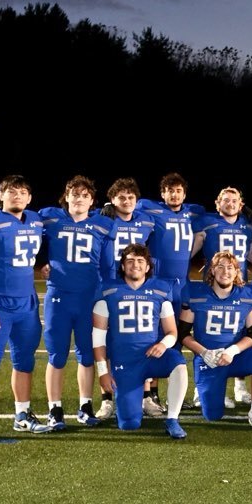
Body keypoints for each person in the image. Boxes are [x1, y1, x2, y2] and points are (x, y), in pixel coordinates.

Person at [0, 175, 51, 442]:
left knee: (25, 362)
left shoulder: (36, 220)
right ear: (1, 196)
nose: (17, 195)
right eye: (11, 191)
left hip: (26, 303)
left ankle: (22, 415)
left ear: (29, 198)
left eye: (23, 191)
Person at [38, 175, 114, 430]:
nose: (79, 198)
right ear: (66, 197)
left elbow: (107, 265)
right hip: (58, 296)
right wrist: (41, 263)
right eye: (74, 194)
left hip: (88, 297)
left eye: (84, 195)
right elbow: (32, 240)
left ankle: (85, 406)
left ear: (92, 200)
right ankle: (55, 409)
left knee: (86, 355)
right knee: (57, 355)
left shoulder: (103, 226)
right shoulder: (50, 219)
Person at [92, 244, 188, 438]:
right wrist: (103, 373)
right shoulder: (108, 291)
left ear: (147, 267)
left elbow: (172, 332)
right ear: (122, 266)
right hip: (125, 363)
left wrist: (163, 344)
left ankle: (172, 419)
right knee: (129, 424)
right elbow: (98, 338)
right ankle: (131, 402)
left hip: (151, 356)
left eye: (140, 261)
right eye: (130, 261)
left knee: (178, 364)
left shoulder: (160, 291)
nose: (135, 265)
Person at [179, 251, 252, 430]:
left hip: (235, 356)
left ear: (237, 272)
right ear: (212, 271)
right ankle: (216, 390)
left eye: (230, 268)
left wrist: (233, 350)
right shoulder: (195, 293)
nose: (225, 271)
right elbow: (183, 333)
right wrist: (204, 352)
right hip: (208, 358)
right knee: (212, 416)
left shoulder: (247, 295)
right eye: (220, 267)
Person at [137, 173, 204, 410]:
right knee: (152, 336)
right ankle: (148, 393)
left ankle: (171, 393)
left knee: (176, 338)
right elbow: (126, 208)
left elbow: (215, 220)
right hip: (157, 283)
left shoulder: (194, 212)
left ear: (184, 194)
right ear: (162, 193)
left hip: (182, 284)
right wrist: (105, 208)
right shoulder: (149, 208)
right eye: (169, 190)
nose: (174, 195)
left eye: (178, 190)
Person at [192, 185, 252, 406]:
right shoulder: (207, 222)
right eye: (226, 200)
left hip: (238, 287)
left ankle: (239, 387)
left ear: (241, 205)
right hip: (211, 288)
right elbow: (190, 251)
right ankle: (199, 387)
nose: (230, 204)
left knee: (238, 334)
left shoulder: (246, 227)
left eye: (234, 200)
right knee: (205, 333)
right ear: (218, 203)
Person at [96, 177, 157, 419]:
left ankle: (146, 397)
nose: (127, 201)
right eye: (121, 197)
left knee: (142, 338)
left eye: (131, 197)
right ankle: (106, 398)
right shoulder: (103, 219)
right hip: (109, 286)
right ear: (112, 200)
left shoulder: (146, 220)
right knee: (109, 343)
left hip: (136, 286)